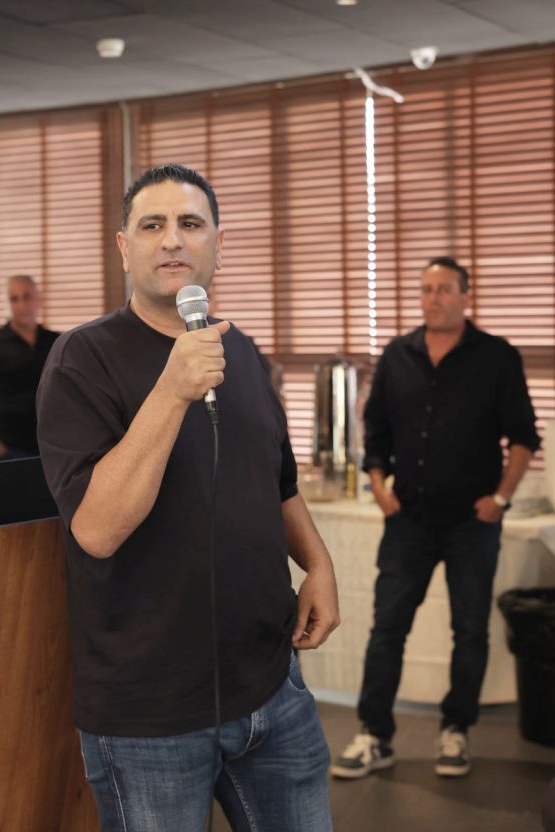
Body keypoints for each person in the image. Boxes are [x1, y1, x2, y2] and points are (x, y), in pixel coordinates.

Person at [36, 163, 340, 832]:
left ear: (218, 245)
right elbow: (97, 530)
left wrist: (318, 565)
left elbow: (278, 482)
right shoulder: (82, 359)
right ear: (125, 248)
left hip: (271, 687)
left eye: (190, 224)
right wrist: (171, 390)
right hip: (151, 715)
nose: (172, 239)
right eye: (153, 225)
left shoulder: (242, 351)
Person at [331, 256, 540, 781]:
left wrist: (501, 499)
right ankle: (374, 734)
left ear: (466, 296)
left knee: (469, 630)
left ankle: (456, 729)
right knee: (387, 627)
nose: (434, 298)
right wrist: (379, 485)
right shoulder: (397, 355)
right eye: (426, 289)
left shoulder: (497, 357)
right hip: (408, 518)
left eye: (445, 289)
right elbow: (375, 429)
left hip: (473, 520)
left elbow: (523, 436)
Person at [0, 276, 59, 459]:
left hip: (50, 445)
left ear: (38, 299)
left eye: (27, 296)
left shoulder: (57, 342)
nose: (22, 305)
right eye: (14, 299)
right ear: (5, 303)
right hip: (4, 445)